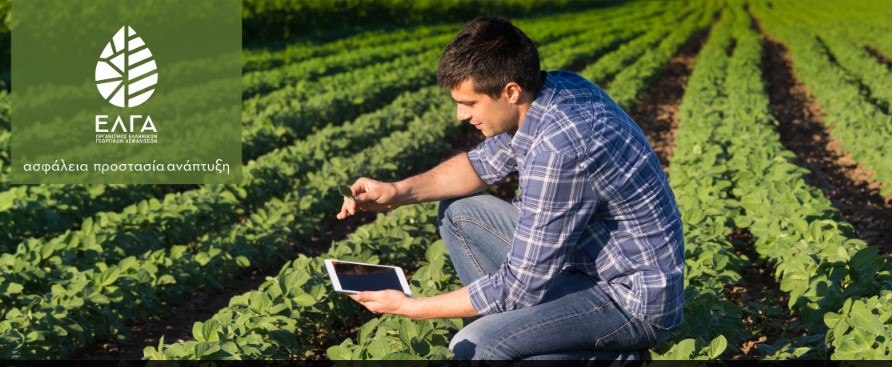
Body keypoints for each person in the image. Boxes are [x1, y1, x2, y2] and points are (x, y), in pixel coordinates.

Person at [336, 15, 684, 360]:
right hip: (583, 265)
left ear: (511, 91)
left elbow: (520, 286)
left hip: (629, 300)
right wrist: (396, 191)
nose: (460, 115)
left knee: (477, 345)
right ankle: (530, 338)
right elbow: (479, 166)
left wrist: (411, 308)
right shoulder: (553, 91)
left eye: (469, 103)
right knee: (460, 213)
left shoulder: (561, 148)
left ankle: (610, 357)